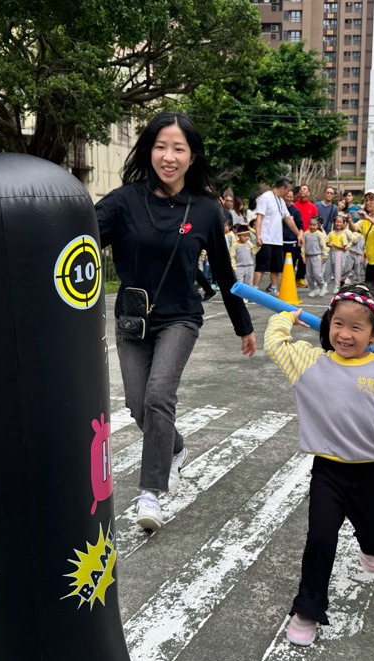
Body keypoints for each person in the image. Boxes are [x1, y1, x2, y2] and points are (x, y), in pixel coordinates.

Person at [95, 111, 255, 530]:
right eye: (161, 146)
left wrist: (243, 326)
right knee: (137, 404)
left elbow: (225, 274)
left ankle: (151, 493)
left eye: (178, 148)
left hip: (180, 318)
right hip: (133, 320)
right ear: (149, 151)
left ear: (191, 156)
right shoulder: (123, 201)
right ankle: (175, 449)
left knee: (158, 397)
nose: (169, 156)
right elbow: (76, 238)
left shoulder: (205, 210)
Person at [263, 284, 374, 646]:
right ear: (328, 323)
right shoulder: (310, 362)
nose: (344, 334)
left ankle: (372, 547)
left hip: (368, 472)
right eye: (338, 324)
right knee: (320, 539)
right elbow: (275, 343)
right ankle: (307, 609)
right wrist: (286, 317)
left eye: (356, 328)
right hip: (327, 472)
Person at [254, 177, 302, 296]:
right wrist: (258, 235)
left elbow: (288, 219)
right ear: (282, 188)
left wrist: (298, 235)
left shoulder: (281, 201)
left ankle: (274, 288)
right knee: (261, 265)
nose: (289, 193)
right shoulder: (265, 197)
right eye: (288, 190)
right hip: (265, 238)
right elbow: (259, 217)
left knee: (276, 266)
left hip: (277, 239)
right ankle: (254, 289)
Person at [301, 215, 328, 297]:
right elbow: (303, 246)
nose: (312, 227)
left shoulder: (320, 234)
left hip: (317, 256)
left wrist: (325, 256)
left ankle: (322, 285)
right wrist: (303, 255)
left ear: (318, 225)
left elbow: (323, 246)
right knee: (309, 275)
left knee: (317, 273)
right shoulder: (306, 234)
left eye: (314, 225)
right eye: (310, 224)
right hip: (308, 256)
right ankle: (313, 289)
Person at [282, 188, 304, 287]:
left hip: (292, 242)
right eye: (287, 196)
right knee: (279, 264)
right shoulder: (278, 209)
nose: (288, 199)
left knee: (291, 264)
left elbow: (300, 226)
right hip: (279, 241)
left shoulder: (295, 211)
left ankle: (289, 283)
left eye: (290, 197)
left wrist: (300, 237)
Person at [326, 215, 351, 292]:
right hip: (331, 252)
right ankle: (325, 285)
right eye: (337, 222)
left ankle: (337, 286)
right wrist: (330, 245)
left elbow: (344, 246)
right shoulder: (331, 233)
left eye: (340, 222)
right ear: (334, 223)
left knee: (337, 270)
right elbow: (327, 243)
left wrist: (336, 246)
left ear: (343, 223)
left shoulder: (343, 234)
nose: (338, 224)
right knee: (328, 269)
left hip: (339, 253)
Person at [232, 223, 257, 288]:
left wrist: (258, 246)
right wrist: (234, 267)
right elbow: (232, 257)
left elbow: (254, 251)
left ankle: (248, 295)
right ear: (239, 235)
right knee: (240, 285)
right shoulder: (235, 245)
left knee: (249, 285)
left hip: (249, 267)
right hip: (239, 267)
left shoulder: (248, 243)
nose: (246, 238)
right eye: (244, 236)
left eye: (247, 236)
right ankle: (240, 295)